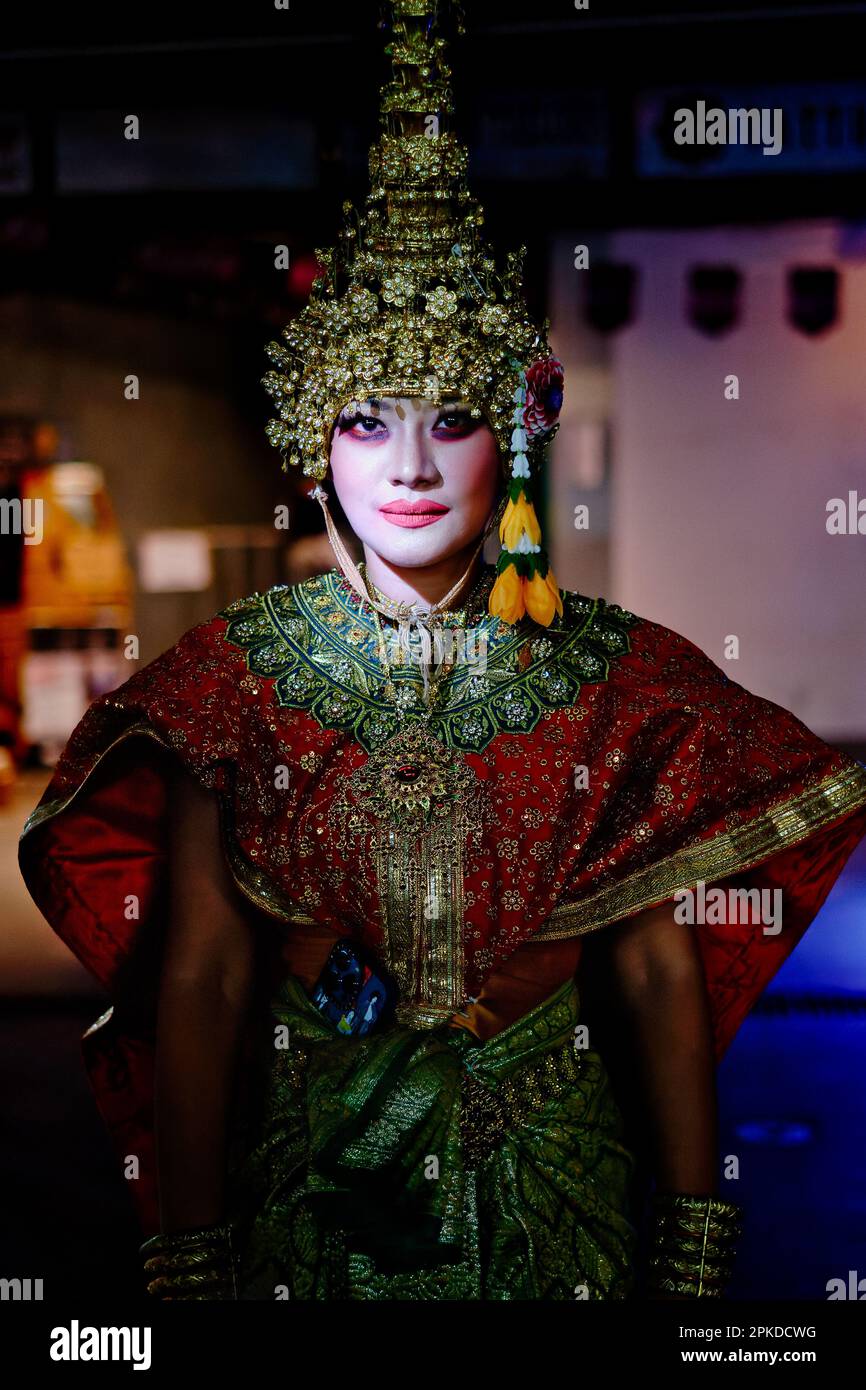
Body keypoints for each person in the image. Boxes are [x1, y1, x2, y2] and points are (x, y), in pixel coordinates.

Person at [18, 0, 866, 1302]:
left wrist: (692, 1237)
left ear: (513, 438)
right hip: (314, 1195)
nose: (409, 465)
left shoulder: (615, 680)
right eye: (367, 420)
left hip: (551, 1198)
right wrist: (184, 1247)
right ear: (316, 443)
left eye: (452, 419)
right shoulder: (227, 683)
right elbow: (196, 971)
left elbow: (650, 965)